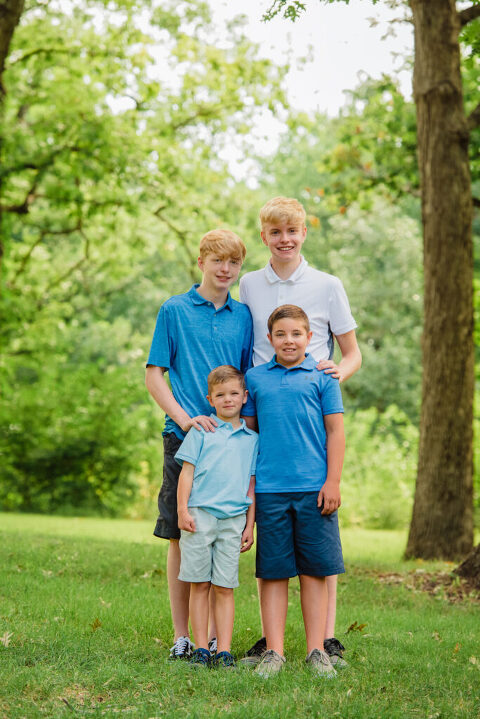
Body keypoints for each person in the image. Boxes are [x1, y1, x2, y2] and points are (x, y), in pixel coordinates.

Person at [239, 196, 361, 667]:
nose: (285, 239)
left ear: (304, 233)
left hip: (312, 411)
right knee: (272, 559)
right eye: (276, 232)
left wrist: (330, 377)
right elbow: (247, 347)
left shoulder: (328, 285)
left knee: (318, 553)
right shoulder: (250, 284)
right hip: (265, 411)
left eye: (293, 231)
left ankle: (322, 643)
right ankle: (272, 644)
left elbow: (351, 352)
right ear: (264, 236)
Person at [145, 229, 253, 661]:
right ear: (201, 262)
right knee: (181, 534)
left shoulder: (243, 316)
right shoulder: (174, 309)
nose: (225, 269)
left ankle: (211, 640)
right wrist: (186, 419)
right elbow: (154, 374)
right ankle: (183, 637)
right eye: (217, 261)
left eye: (233, 263)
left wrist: (244, 433)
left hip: (230, 445)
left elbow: (245, 379)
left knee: (221, 532)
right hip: (184, 439)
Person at [242, 305, 345, 678]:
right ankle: (274, 652)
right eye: (281, 334)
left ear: (310, 337)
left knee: (314, 571)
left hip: (314, 490)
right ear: (269, 339)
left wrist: (332, 481)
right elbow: (248, 435)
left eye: (296, 334)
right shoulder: (255, 378)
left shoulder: (323, 377)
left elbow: (336, 431)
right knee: (273, 572)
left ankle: (317, 650)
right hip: (270, 490)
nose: (289, 341)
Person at [176, 365, 258, 668]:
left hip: (233, 520)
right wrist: (182, 510)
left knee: (225, 586)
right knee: (199, 583)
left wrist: (250, 525)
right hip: (199, 516)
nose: (228, 399)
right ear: (210, 399)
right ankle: (201, 648)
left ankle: (223, 649)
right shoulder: (201, 431)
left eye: (234, 393)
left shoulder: (252, 439)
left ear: (244, 396)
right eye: (220, 395)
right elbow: (186, 474)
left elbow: (251, 485)